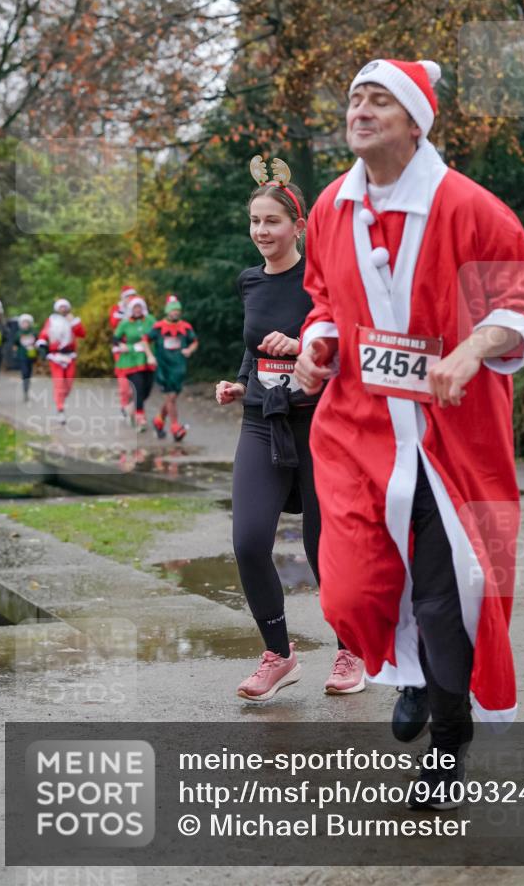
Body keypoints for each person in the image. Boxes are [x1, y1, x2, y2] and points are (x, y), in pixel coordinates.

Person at [294, 57, 524, 805]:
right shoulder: (329, 209)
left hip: (447, 439)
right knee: (349, 590)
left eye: (379, 100)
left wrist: (472, 348)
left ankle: (447, 737)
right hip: (357, 432)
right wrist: (317, 345)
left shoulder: (468, 207)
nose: (360, 110)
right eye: (354, 98)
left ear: (414, 122)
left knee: (443, 601)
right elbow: (322, 302)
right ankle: (405, 672)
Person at [216, 156, 365, 702]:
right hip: (262, 422)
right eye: (255, 222)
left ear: (298, 226)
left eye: (272, 222)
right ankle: (279, 655)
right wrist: (239, 384)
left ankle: (352, 651)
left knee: (324, 549)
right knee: (249, 541)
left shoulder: (321, 279)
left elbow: (351, 341)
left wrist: (306, 347)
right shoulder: (249, 281)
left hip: (320, 426)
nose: (261, 232)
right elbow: (251, 348)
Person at [149, 295, 199, 442]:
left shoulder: (185, 327)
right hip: (163, 367)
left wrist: (190, 350)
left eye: (178, 310)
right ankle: (175, 427)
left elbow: (195, 341)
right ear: (167, 311)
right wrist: (150, 356)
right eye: (173, 310)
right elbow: (145, 340)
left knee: (172, 397)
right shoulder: (158, 327)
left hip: (179, 367)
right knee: (170, 397)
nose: (175, 313)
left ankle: (158, 421)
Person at [37, 298, 85, 423]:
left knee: (68, 385)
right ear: (57, 309)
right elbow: (44, 334)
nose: (63, 309)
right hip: (56, 357)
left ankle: (61, 400)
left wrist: (73, 322)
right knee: (59, 383)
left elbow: (82, 334)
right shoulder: (52, 320)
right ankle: (60, 409)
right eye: (61, 307)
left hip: (70, 356)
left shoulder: (73, 320)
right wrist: (42, 345)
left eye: (65, 307)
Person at [112, 295, 157, 430]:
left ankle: (129, 408)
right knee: (138, 386)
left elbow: (158, 333)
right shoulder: (125, 323)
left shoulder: (150, 320)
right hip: (131, 359)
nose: (137, 310)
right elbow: (115, 338)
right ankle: (140, 418)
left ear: (143, 308)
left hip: (147, 357)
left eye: (139, 307)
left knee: (147, 389)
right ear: (131, 309)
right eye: (134, 307)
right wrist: (122, 346)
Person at [109, 286, 138, 418]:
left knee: (137, 379)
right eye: (128, 296)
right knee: (124, 381)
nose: (130, 299)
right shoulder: (117, 310)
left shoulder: (140, 310)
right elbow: (114, 323)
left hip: (137, 350)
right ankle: (124, 404)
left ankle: (134, 407)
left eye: (133, 296)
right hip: (121, 349)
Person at [14, 313, 38, 402]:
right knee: (24, 373)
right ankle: (25, 390)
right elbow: (15, 344)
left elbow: (38, 342)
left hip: (31, 356)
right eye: (24, 323)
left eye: (27, 322)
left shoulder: (33, 333)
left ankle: (27, 389)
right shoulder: (19, 334)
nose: (25, 324)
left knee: (29, 374)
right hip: (22, 355)